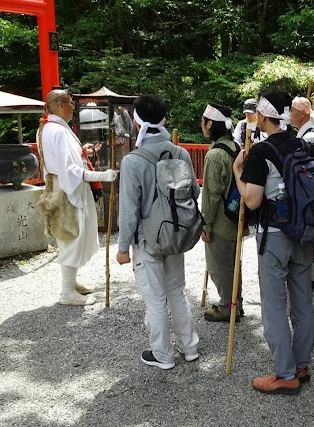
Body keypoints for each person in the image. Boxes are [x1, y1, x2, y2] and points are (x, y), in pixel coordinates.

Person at [232, 88, 314, 395]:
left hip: (275, 236)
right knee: (302, 300)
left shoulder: (260, 152)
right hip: (303, 234)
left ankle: (285, 374)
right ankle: (302, 363)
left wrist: (237, 170)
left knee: (274, 305)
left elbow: (252, 201)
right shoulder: (303, 144)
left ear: (263, 116)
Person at [116, 94, 200, 370]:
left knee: (155, 297)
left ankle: (163, 355)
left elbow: (129, 209)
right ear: (165, 119)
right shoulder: (180, 153)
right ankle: (190, 348)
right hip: (176, 234)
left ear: (137, 121)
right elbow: (194, 192)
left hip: (148, 239)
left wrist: (122, 247)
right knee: (176, 290)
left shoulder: (132, 161)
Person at [37, 89, 117, 306]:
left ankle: (70, 283)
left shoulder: (48, 128)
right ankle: (66, 291)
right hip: (67, 189)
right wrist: (100, 175)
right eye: (71, 102)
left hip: (60, 185)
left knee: (73, 235)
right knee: (71, 235)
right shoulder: (59, 131)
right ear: (61, 104)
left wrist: (84, 153)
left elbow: (66, 161)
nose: (74, 105)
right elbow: (70, 169)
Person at [199, 103, 242, 322]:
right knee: (234, 264)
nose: (201, 125)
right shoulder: (235, 147)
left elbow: (210, 195)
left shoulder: (215, 154)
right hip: (237, 216)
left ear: (210, 124)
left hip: (221, 221)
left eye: (204, 121)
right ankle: (236, 303)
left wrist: (205, 225)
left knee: (220, 266)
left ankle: (227, 307)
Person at [289, 96, 314, 291]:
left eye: (293, 110)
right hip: (306, 194)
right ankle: (310, 275)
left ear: (302, 113)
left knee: (309, 236)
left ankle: (312, 276)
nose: (290, 115)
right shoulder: (305, 134)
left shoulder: (310, 137)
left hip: (309, 194)